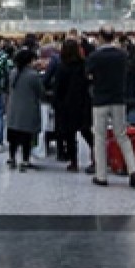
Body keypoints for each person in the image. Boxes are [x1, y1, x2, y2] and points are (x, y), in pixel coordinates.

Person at [86, 28, 135, 188]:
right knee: (122, 135)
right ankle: (133, 169)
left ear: (101, 38)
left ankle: (101, 175)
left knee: (100, 137)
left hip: (100, 99)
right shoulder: (122, 55)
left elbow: (88, 75)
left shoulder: (95, 56)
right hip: (118, 99)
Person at [54, 38, 95, 173]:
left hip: (67, 105)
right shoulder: (84, 65)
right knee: (87, 132)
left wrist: (57, 103)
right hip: (83, 102)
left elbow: (58, 88)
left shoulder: (61, 67)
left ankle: (74, 162)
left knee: (70, 135)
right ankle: (96, 158)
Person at [6, 49, 46, 172]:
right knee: (26, 138)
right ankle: (25, 160)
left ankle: (12, 158)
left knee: (13, 137)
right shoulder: (34, 75)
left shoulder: (13, 73)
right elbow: (41, 92)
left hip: (13, 110)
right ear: (30, 61)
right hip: (28, 110)